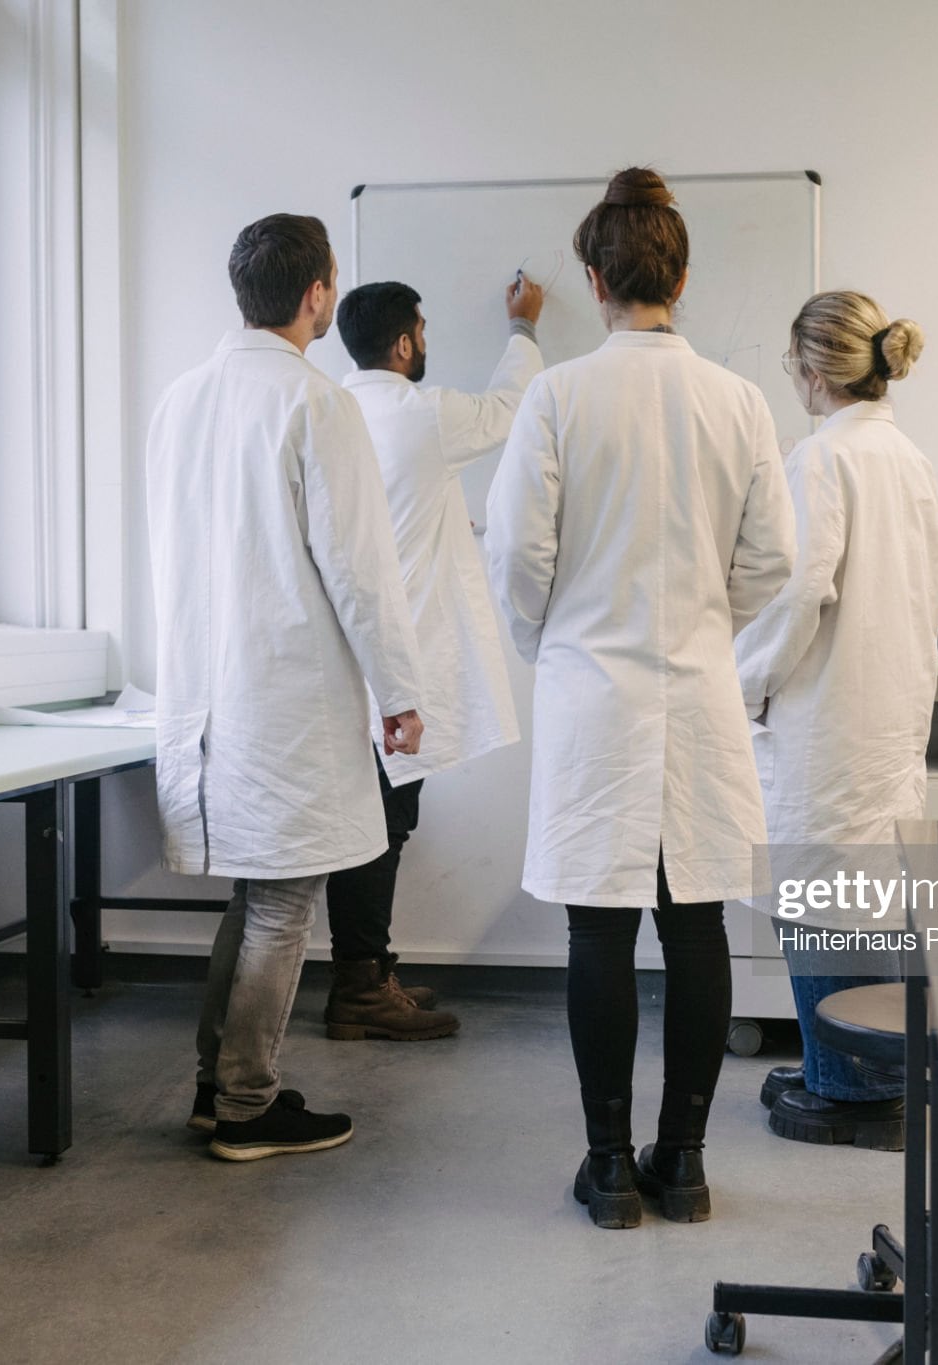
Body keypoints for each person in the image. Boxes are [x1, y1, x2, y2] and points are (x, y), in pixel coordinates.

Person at [485, 168, 795, 1229]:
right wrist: (708, 622)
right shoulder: (739, 400)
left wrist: (551, 637)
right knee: (696, 922)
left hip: (592, 693)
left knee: (598, 933)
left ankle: (609, 1168)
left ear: (592, 276)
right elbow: (772, 561)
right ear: (681, 275)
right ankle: (687, 1163)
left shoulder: (559, 395)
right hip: (699, 692)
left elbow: (516, 556)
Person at [146, 212, 424, 1161]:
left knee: (256, 893)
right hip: (285, 695)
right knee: (282, 900)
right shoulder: (318, 403)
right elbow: (359, 569)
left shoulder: (180, 399)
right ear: (318, 294)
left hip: (205, 692)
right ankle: (249, 1104)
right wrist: (399, 688)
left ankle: (212, 1087)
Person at [734, 293, 938, 1149]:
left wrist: (741, 684)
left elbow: (796, 597)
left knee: (824, 897)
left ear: (812, 370)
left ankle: (854, 1089)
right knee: (863, 897)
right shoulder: (907, 457)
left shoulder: (820, 459)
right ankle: (850, 1065)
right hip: (885, 714)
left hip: (829, 722)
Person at [323, 277, 547, 1042]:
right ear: (405, 343)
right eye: (422, 329)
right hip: (396, 657)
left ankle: (370, 971)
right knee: (380, 827)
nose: (427, 341)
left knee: (379, 822)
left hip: (346, 658)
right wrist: (521, 326)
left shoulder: (333, 410)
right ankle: (358, 988)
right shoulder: (419, 414)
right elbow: (509, 410)